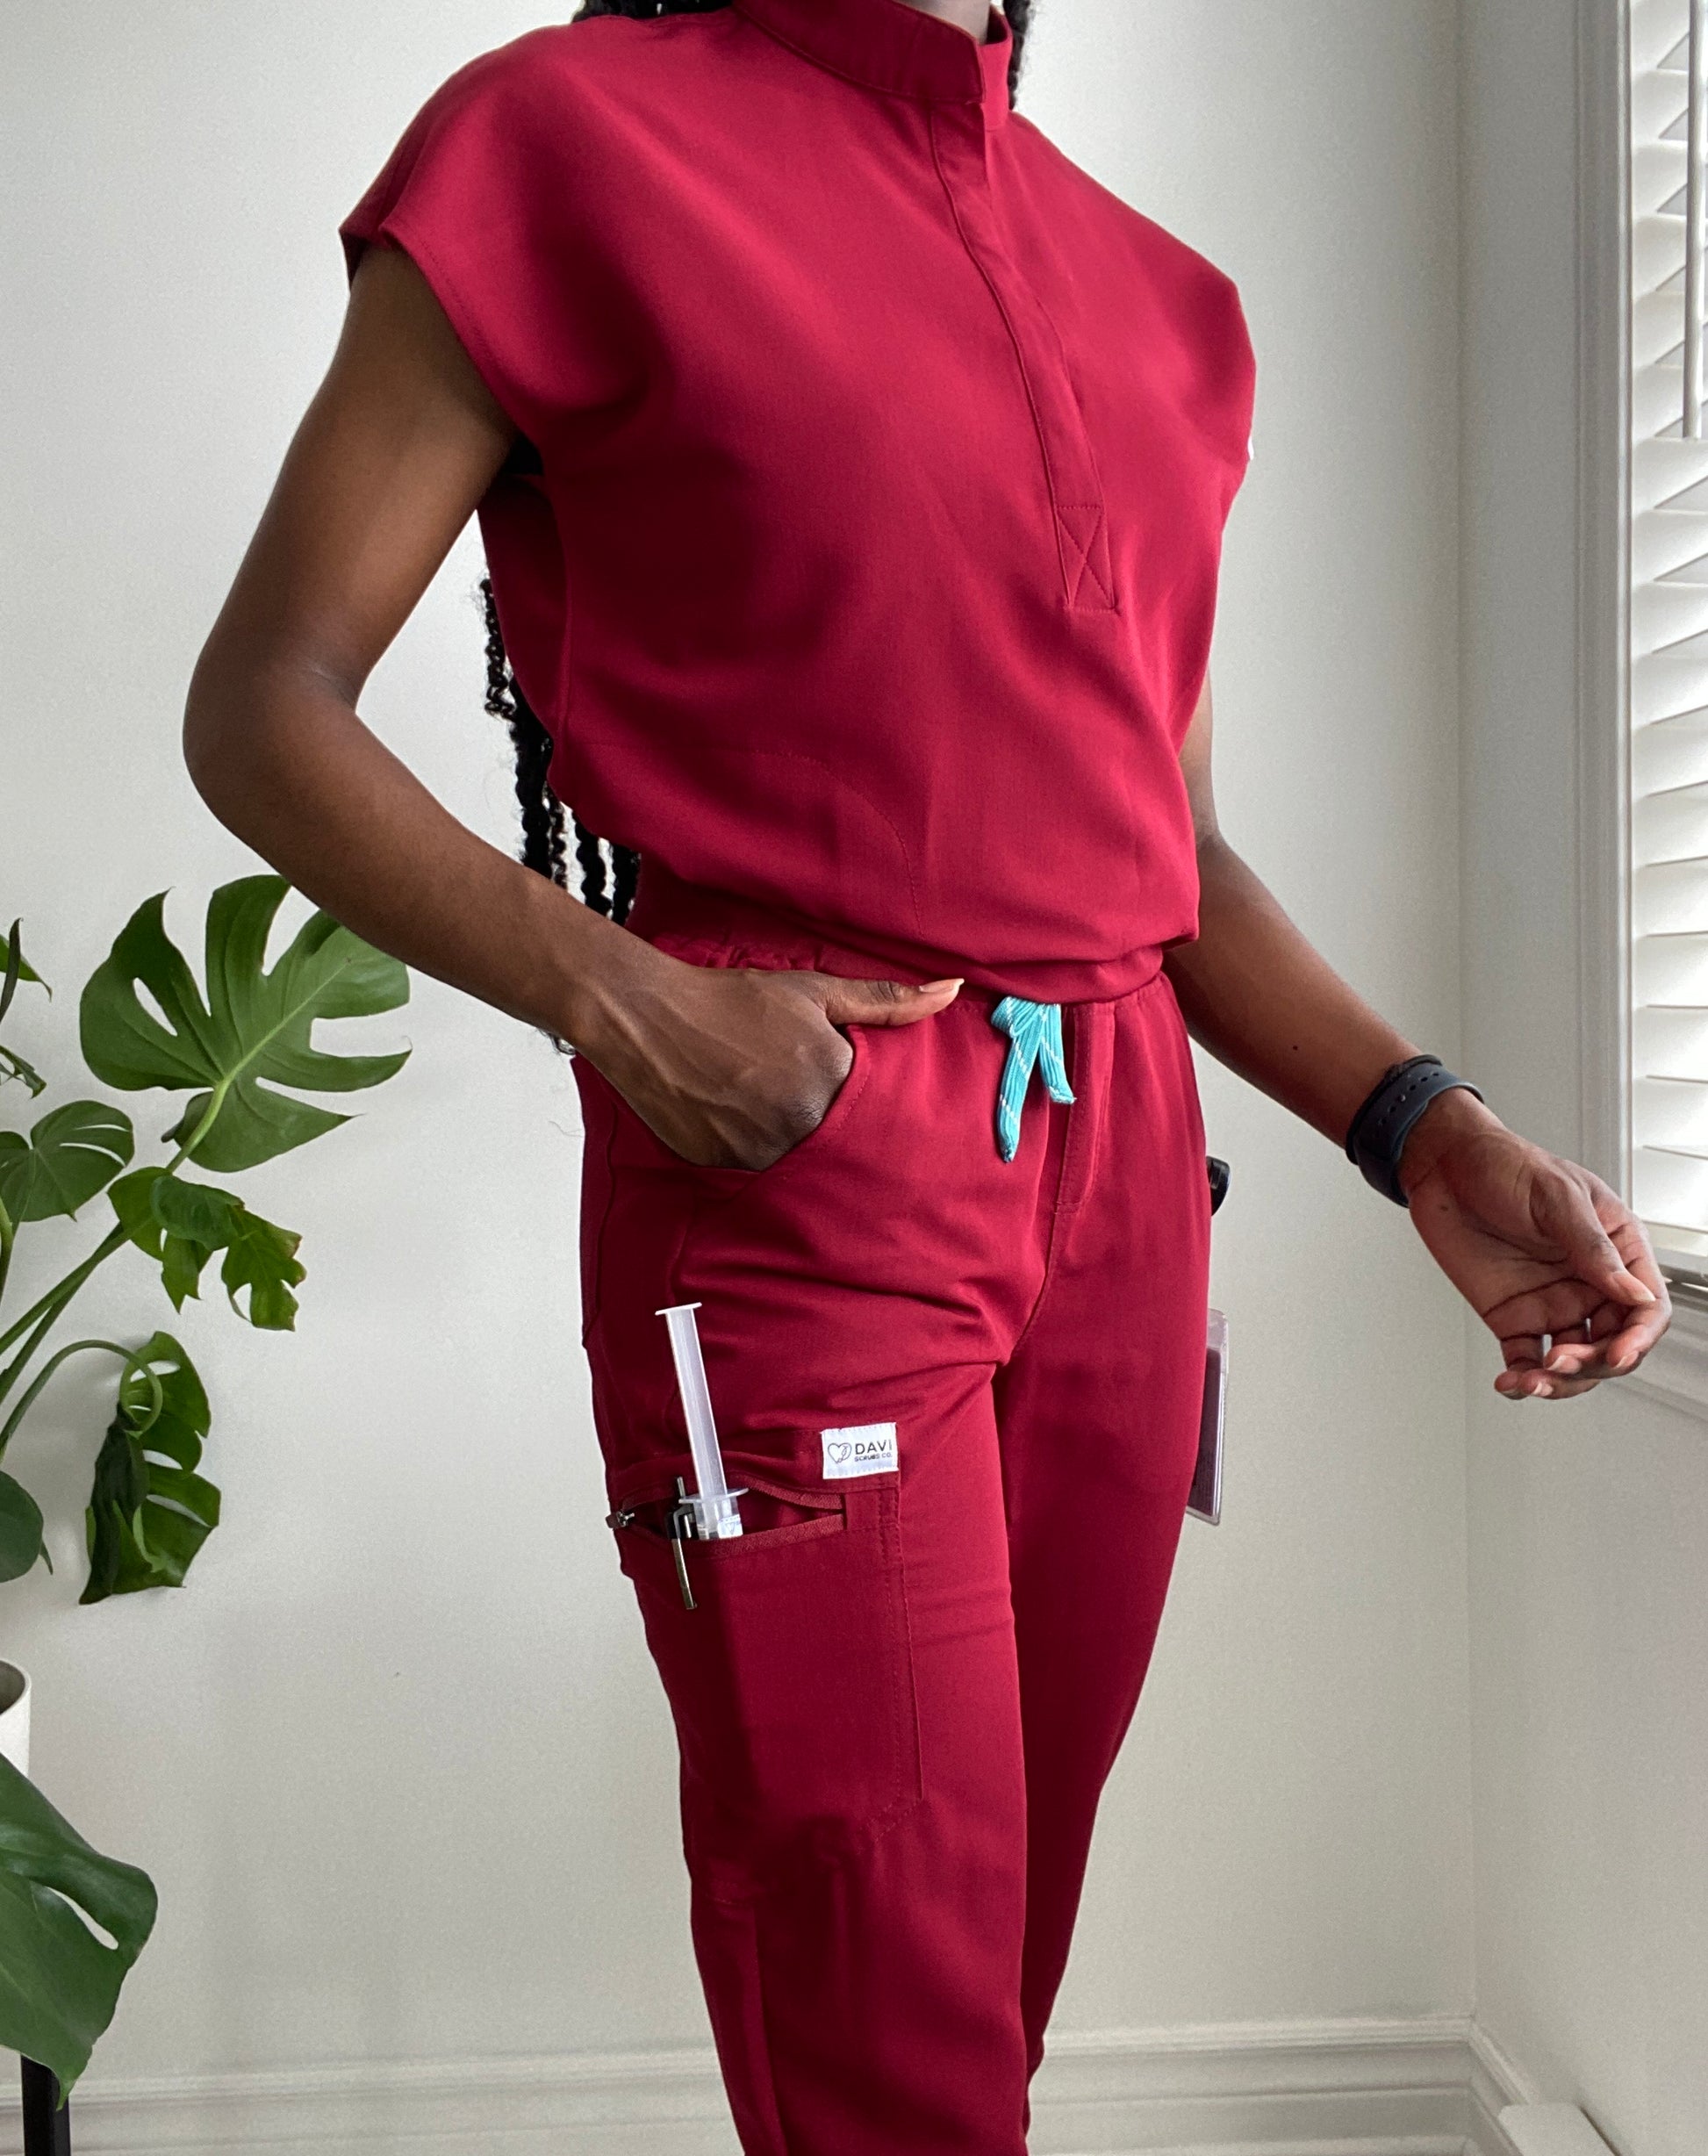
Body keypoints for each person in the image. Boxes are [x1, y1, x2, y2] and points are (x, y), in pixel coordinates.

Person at [181, 2, 1672, 2148]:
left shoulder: (1164, 300)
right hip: (808, 1165)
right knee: (882, 2006)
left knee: (991, 1968)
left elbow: (1164, 858)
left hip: (1133, 1185)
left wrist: (1417, 1121)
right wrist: (626, 996)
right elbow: (266, 705)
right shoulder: (565, 142)